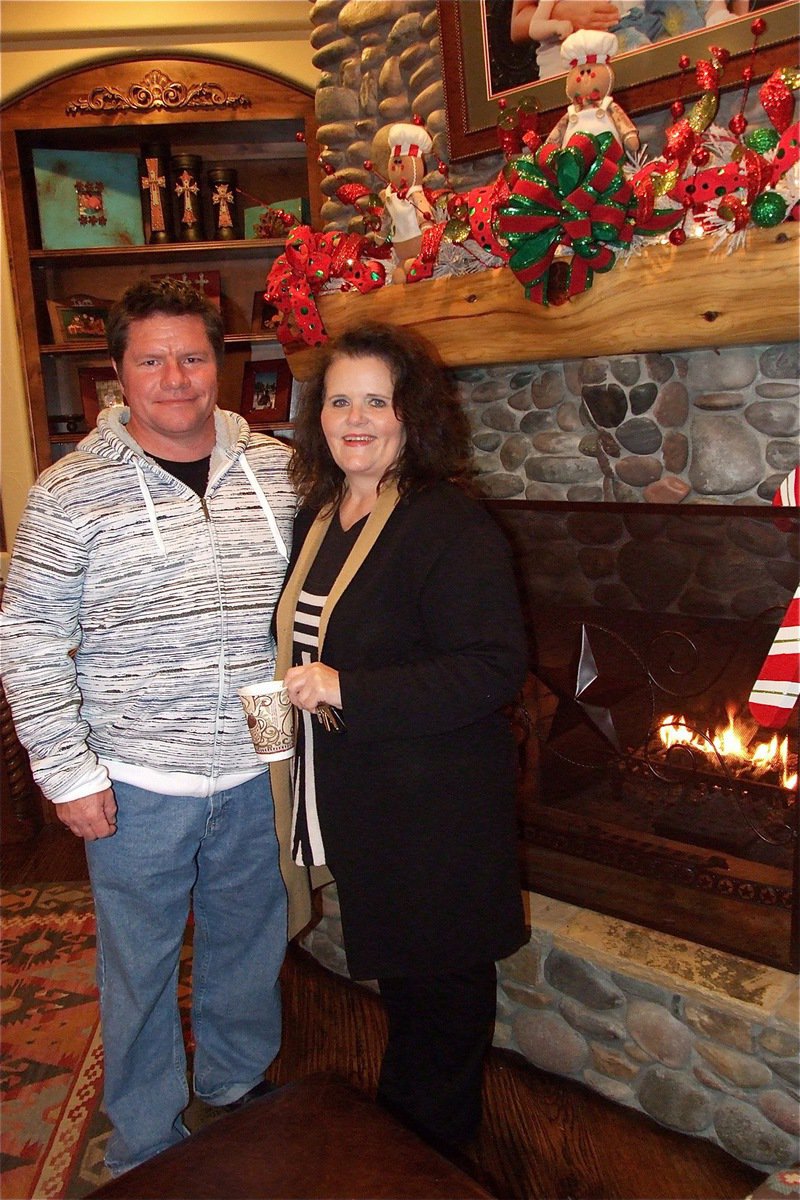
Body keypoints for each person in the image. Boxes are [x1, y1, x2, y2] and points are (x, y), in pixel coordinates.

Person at [0, 279, 310, 1176]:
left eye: (193, 355)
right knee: (137, 972)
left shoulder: (281, 470)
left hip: (259, 767)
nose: (175, 377)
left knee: (249, 942)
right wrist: (68, 773)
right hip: (135, 783)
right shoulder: (70, 493)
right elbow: (27, 637)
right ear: (118, 372)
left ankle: (236, 1083)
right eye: (152, 359)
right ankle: (143, 1135)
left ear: (221, 362)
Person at [272, 322, 528, 1156]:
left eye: (375, 401)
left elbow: (492, 668)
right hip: (373, 802)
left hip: (437, 816)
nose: (355, 418)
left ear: (411, 415)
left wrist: (349, 689)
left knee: (441, 1013)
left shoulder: (449, 525)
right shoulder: (324, 512)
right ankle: (404, 1154)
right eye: (339, 400)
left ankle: (424, 1167)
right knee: (412, 1004)